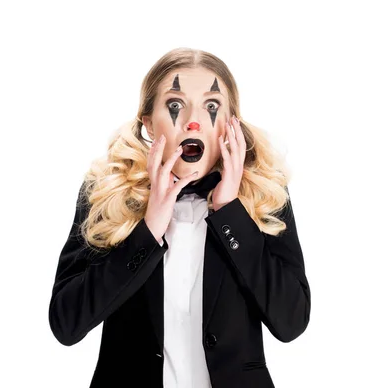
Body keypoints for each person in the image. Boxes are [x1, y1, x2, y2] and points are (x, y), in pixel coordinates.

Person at [48, 47, 311, 388]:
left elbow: (291, 322)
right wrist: (149, 229)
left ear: (232, 125)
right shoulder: (107, 195)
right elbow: (66, 324)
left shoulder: (264, 196)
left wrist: (230, 211)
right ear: (148, 123)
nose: (193, 121)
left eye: (212, 106)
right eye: (175, 105)